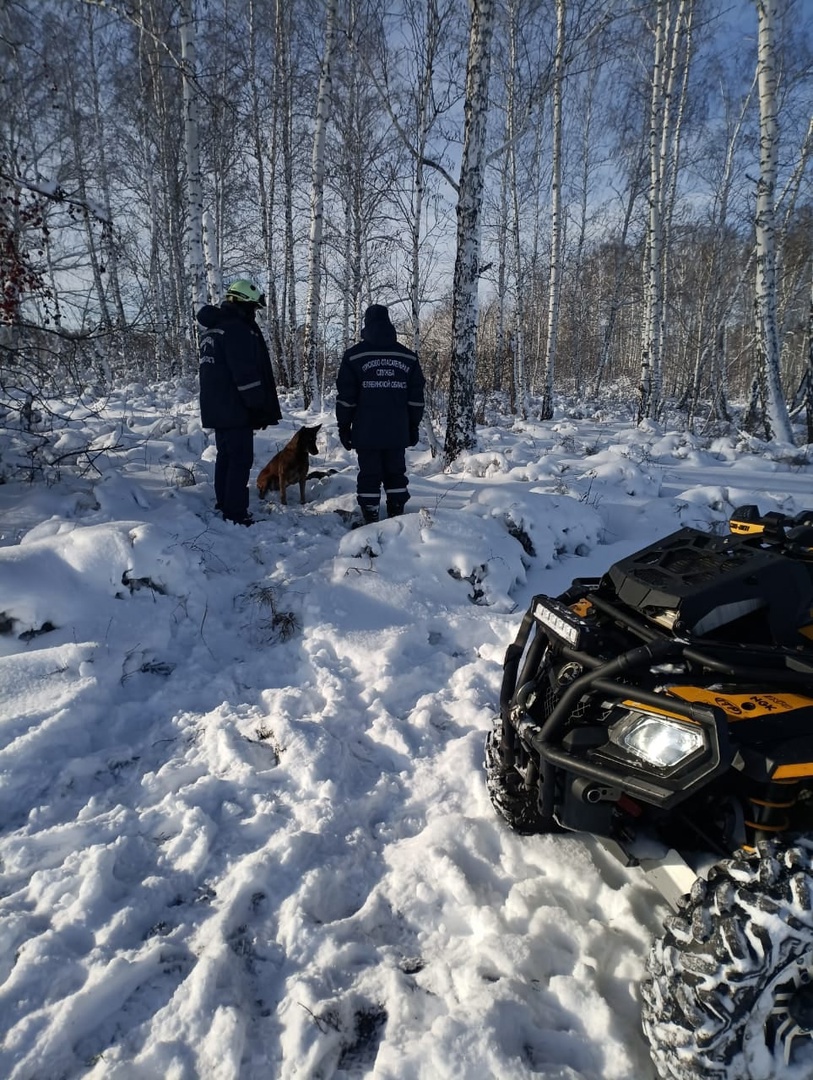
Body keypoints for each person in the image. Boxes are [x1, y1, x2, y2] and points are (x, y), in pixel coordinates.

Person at [198, 279, 282, 526]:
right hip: (236, 408)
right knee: (240, 459)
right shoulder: (236, 330)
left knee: (226, 457)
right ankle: (235, 512)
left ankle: (224, 502)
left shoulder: (213, 330)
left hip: (217, 408)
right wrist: (257, 406)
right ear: (243, 304)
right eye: (253, 308)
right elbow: (245, 374)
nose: (254, 314)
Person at [336, 304, 425, 524]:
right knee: (396, 472)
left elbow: (346, 398)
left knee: (369, 474)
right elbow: (415, 399)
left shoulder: (354, 356)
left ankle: (371, 516)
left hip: (366, 431)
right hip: (397, 430)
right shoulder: (408, 358)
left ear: (366, 324)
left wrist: (344, 426)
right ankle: (396, 515)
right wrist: (413, 425)